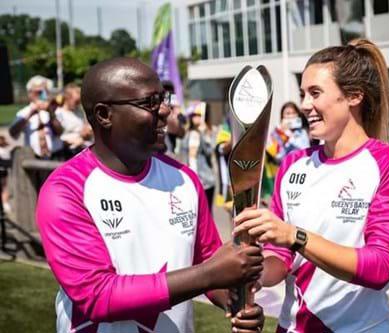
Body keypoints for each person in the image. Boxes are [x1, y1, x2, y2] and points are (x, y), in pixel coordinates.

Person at [36, 58, 264, 333]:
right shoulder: (65, 190)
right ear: (104, 114)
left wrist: (234, 299)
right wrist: (211, 274)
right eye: (149, 102)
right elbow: (97, 295)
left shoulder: (184, 180)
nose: (166, 110)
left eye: (163, 98)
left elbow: (208, 261)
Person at [233, 39, 389, 332]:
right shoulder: (293, 163)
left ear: (354, 96)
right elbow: (281, 257)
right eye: (302, 94)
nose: (305, 105)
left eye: (315, 93)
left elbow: (380, 267)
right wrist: (254, 274)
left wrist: (294, 235)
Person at [9, 75, 64, 159]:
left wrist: (51, 113)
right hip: (33, 157)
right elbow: (13, 133)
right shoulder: (23, 112)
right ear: (29, 93)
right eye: (38, 92)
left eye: (45, 92)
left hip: (54, 155)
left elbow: (59, 131)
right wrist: (30, 114)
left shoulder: (56, 110)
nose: (42, 95)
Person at [180, 103, 216, 213]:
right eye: (194, 115)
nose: (197, 117)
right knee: (194, 212)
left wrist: (204, 134)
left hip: (206, 180)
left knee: (206, 213)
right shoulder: (187, 134)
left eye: (199, 115)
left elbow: (210, 152)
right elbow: (185, 156)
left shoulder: (207, 132)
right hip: (192, 179)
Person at [55, 83, 93, 158]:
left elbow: (86, 131)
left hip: (83, 148)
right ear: (67, 98)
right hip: (67, 151)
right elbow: (58, 136)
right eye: (76, 101)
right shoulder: (59, 113)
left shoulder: (80, 112)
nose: (78, 104)